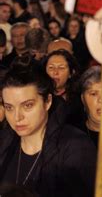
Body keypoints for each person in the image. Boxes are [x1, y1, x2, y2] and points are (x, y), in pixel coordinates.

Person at [0, 56, 96, 196]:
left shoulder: (76, 147)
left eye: (27, 106)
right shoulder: (4, 142)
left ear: (48, 101)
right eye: (9, 107)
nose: (17, 117)